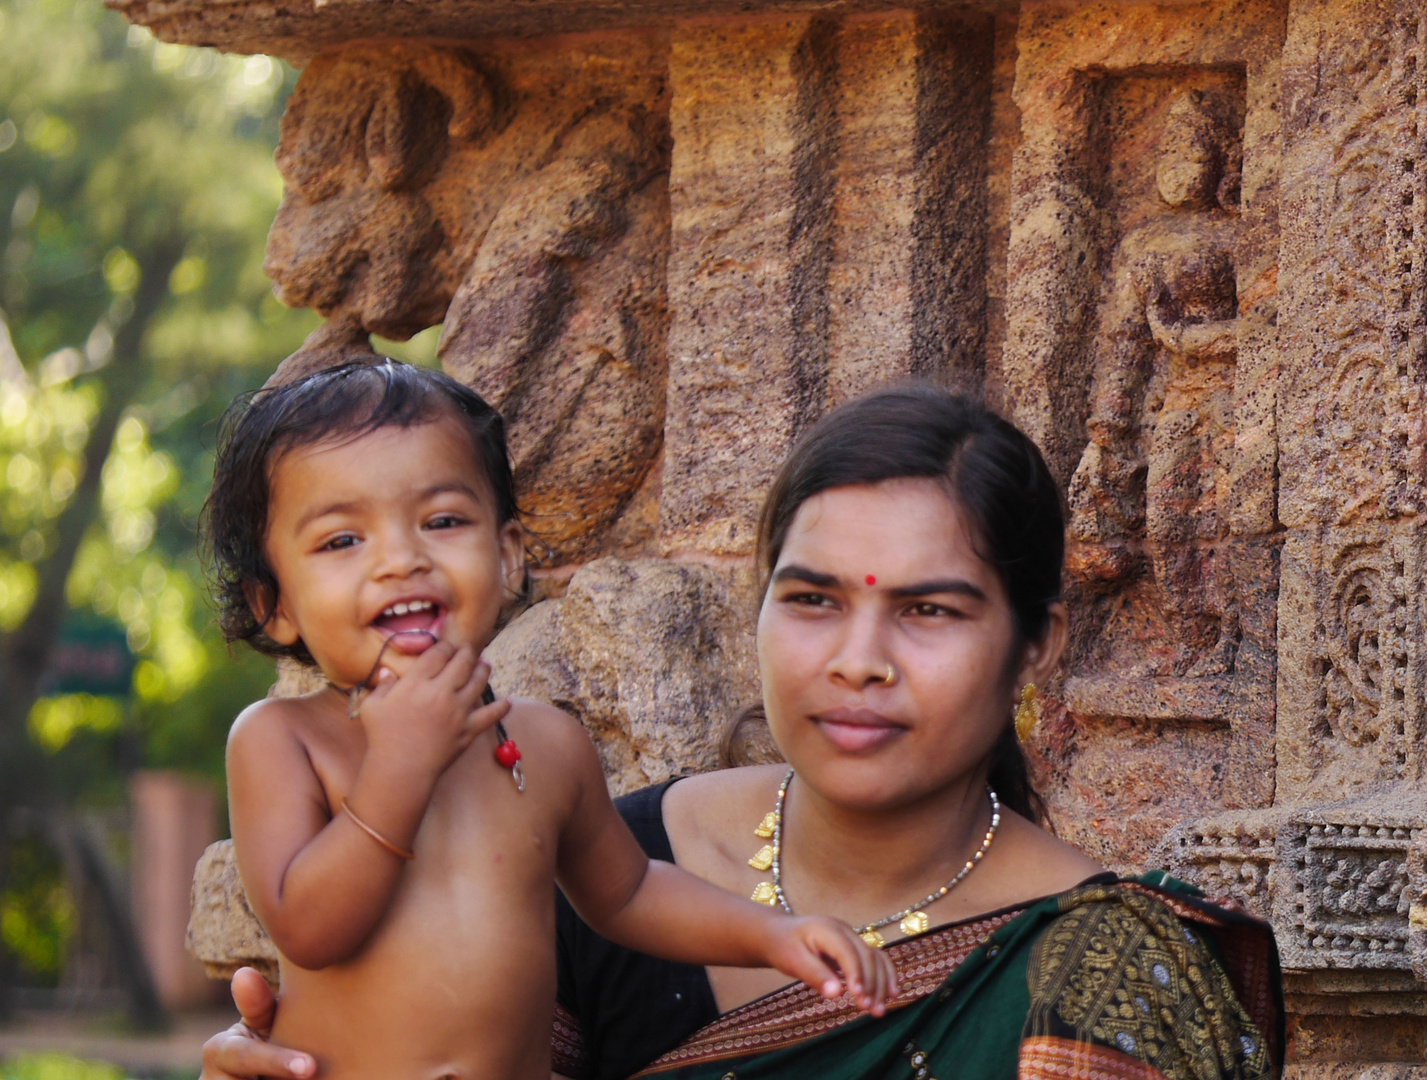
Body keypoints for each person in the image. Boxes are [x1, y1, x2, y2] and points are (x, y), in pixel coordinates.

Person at [201, 385, 1282, 1080]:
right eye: (811, 600)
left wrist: (769, 938)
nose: (857, 660)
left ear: (1035, 643)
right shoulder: (566, 874)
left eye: (928, 610)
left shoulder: (1098, 973)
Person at [200, 359, 895, 1080]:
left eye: (441, 521)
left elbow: (628, 893)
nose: (401, 559)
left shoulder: (543, 742)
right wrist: (401, 761)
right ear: (272, 604)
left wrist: (773, 934)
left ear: (505, 557)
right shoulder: (282, 740)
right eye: (343, 540)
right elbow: (309, 929)